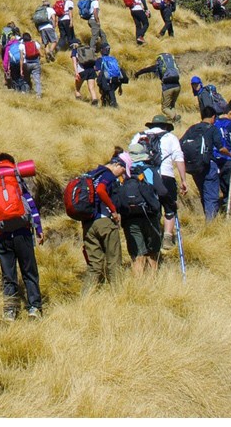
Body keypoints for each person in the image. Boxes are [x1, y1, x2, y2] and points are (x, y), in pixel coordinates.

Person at [0, 155, 44, 320]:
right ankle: (34, 307)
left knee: (8, 276)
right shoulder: (14, 178)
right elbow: (29, 202)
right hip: (22, 232)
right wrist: (38, 228)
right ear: (11, 163)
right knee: (29, 272)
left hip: (2, 236)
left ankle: (10, 310)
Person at [136, 115, 187, 250]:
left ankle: (151, 235)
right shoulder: (170, 137)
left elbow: (132, 156)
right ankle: (167, 238)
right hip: (166, 175)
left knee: (149, 205)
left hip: (145, 175)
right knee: (169, 207)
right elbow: (179, 158)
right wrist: (183, 180)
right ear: (165, 126)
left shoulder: (140, 136)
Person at [115, 147, 165, 277]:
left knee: (137, 253)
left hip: (129, 217)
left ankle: (138, 284)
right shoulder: (149, 170)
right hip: (150, 216)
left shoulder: (120, 173)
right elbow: (162, 192)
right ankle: (153, 282)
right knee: (152, 252)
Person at [79, 155, 124, 292]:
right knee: (114, 261)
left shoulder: (91, 175)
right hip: (104, 222)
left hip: (88, 224)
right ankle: (119, 294)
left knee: (94, 264)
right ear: (116, 165)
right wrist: (113, 210)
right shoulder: (107, 175)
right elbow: (100, 190)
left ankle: (85, 297)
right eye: (122, 170)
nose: (121, 175)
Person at [189, 107, 228, 222]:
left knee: (203, 193)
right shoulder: (212, 129)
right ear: (213, 117)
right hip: (208, 165)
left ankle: (207, 217)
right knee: (211, 195)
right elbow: (221, 148)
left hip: (194, 167)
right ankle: (210, 224)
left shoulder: (193, 128)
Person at [131, 52, 183, 121]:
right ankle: (175, 121)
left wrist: (137, 74)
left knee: (165, 108)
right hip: (177, 86)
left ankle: (175, 118)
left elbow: (147, 70)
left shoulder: (158, 66)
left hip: (168, 88)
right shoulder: (172, 66)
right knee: (171, 105)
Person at [96, 43, 124, 109]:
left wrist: (99, 84)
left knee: (109, 92)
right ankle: (107, 106)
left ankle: (113, 106)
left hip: (106, 80)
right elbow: (118, 71)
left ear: (101, 50)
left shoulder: (99, 60)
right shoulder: (113, 59)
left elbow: (99, 72)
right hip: (116, 80)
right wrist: (120, 87)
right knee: (109, 92)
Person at [21, 32, 43, 97]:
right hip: (36, 63)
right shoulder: (35, 43)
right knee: (37, 80)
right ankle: (38, 95)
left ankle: (27, 93)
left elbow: (21, 58)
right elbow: (41, 54)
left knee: (26, 79)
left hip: (26, 64)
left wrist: (21, 69)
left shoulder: (22, 45)